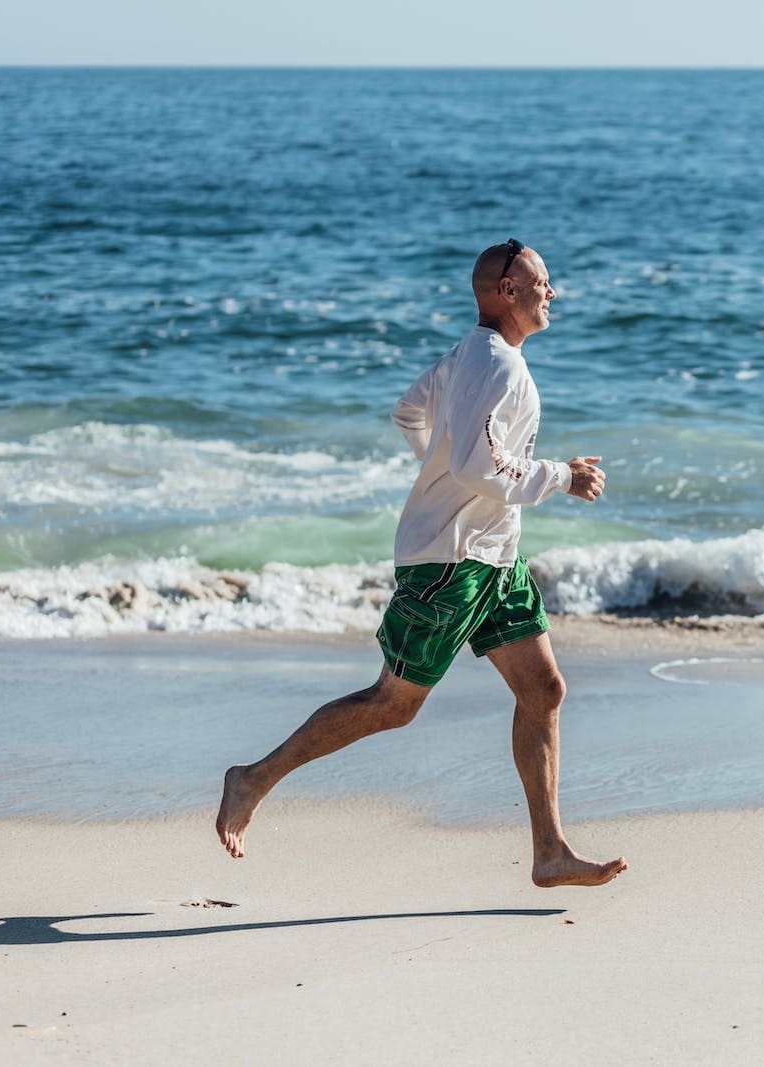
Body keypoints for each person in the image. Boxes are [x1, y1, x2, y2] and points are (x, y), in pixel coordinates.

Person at [215, 239, 627, 888]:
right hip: (450, 564)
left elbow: (412, 412)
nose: (554, 292)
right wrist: (559, 476)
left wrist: (441, 474)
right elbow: (475, 465)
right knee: (393, 703)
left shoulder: (472, 355)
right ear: (503, 290)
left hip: (492, 560)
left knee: (543, 689)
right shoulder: (498, 366)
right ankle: (253, 777)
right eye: (542, 282)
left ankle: (549, 850)